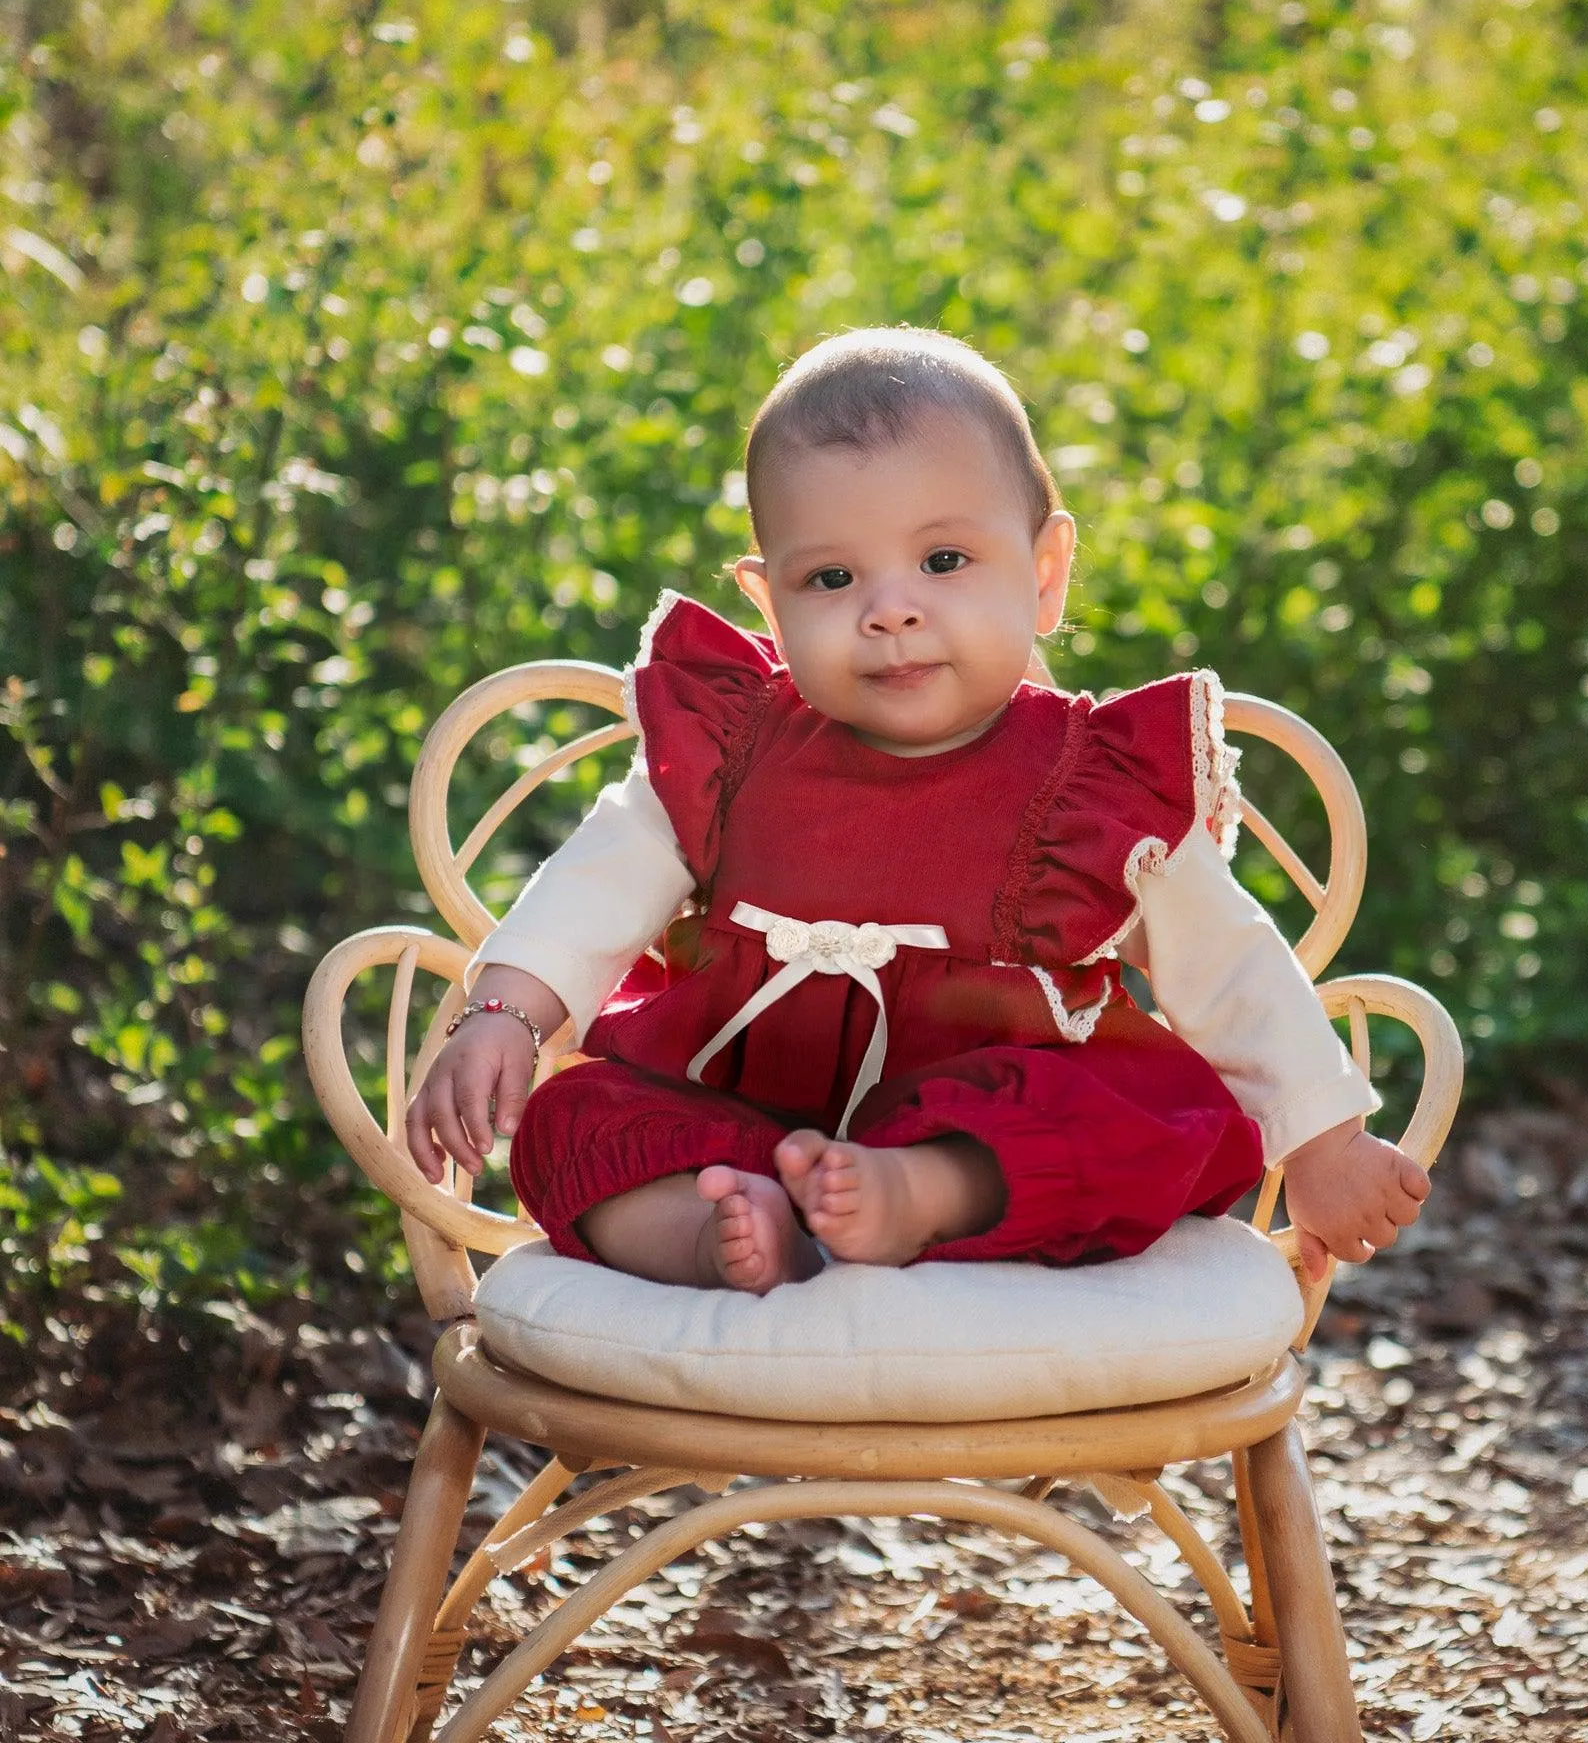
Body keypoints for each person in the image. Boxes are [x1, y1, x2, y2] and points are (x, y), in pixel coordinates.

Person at [405, 326, 1429, 1294]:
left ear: (1042, 574)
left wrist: (1323, 1142)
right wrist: (502, 1010)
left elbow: (1232, 966)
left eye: (943, 561)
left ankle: (924, 1192)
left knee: (1130, 1115)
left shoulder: (1085, 785)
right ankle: (720, 1229)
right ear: (771, 605)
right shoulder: (733, 750)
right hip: (737, 1108)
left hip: (981, 1113)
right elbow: (595, 883)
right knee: (570, 1117)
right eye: (831, 575)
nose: (887, 609)